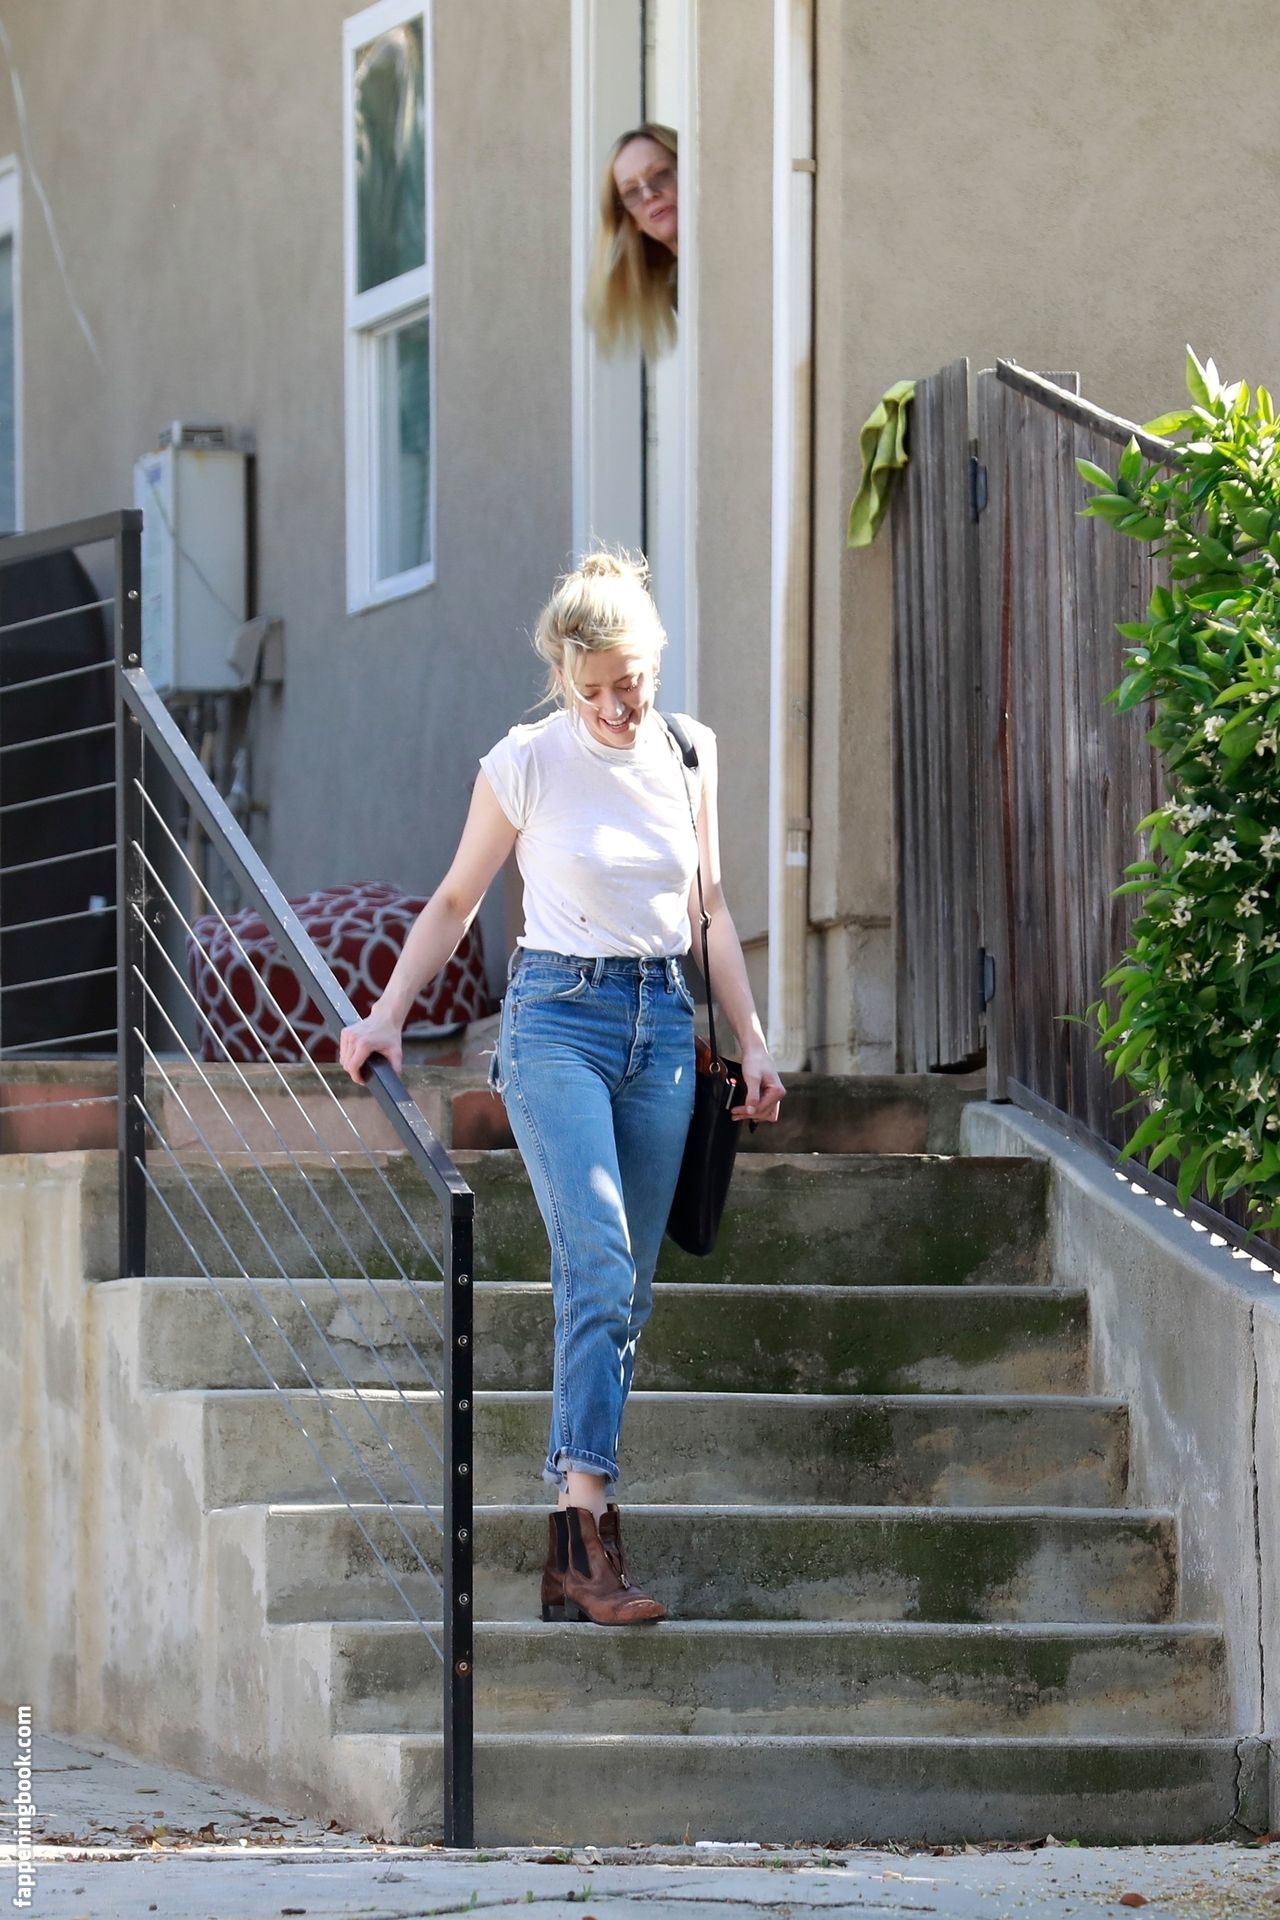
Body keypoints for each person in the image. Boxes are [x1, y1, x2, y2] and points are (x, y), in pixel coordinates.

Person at [339, 550, 784, 1625]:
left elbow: (711, 909)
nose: (614, 707)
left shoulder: (689, 752)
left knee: (627, 1290)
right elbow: (455, 900)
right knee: (595, 1258)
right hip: (555, 1024)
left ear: (655, 659)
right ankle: (590, 1531)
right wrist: (387, 1013)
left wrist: (753, 1037)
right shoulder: (526, 762)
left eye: (629, 682)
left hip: (662, 1030)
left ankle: (564, 1551)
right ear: (563, 679)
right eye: (591, 691)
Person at [585, 123, 678, 360]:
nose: (648, 194)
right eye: (632, 192)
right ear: (632, 220)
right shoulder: (678, 288)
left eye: (660, 175)